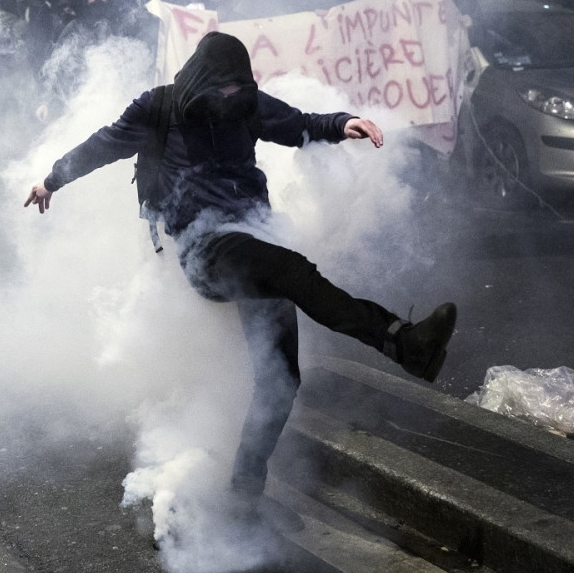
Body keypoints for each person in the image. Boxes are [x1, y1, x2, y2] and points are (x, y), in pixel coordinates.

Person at [23, 32, 457, 521]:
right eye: (222, 88)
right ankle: (402, 343)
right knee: (290, 268)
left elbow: (300, 125)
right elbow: (101, 146)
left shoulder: (247, 105)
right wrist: (51, 180)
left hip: (251, 241)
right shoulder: (159, 108)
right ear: (202, 80)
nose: (231, 98)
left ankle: (244, 492)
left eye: (238, 87)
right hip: (199, 249)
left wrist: (344, 123)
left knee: (281, 380)